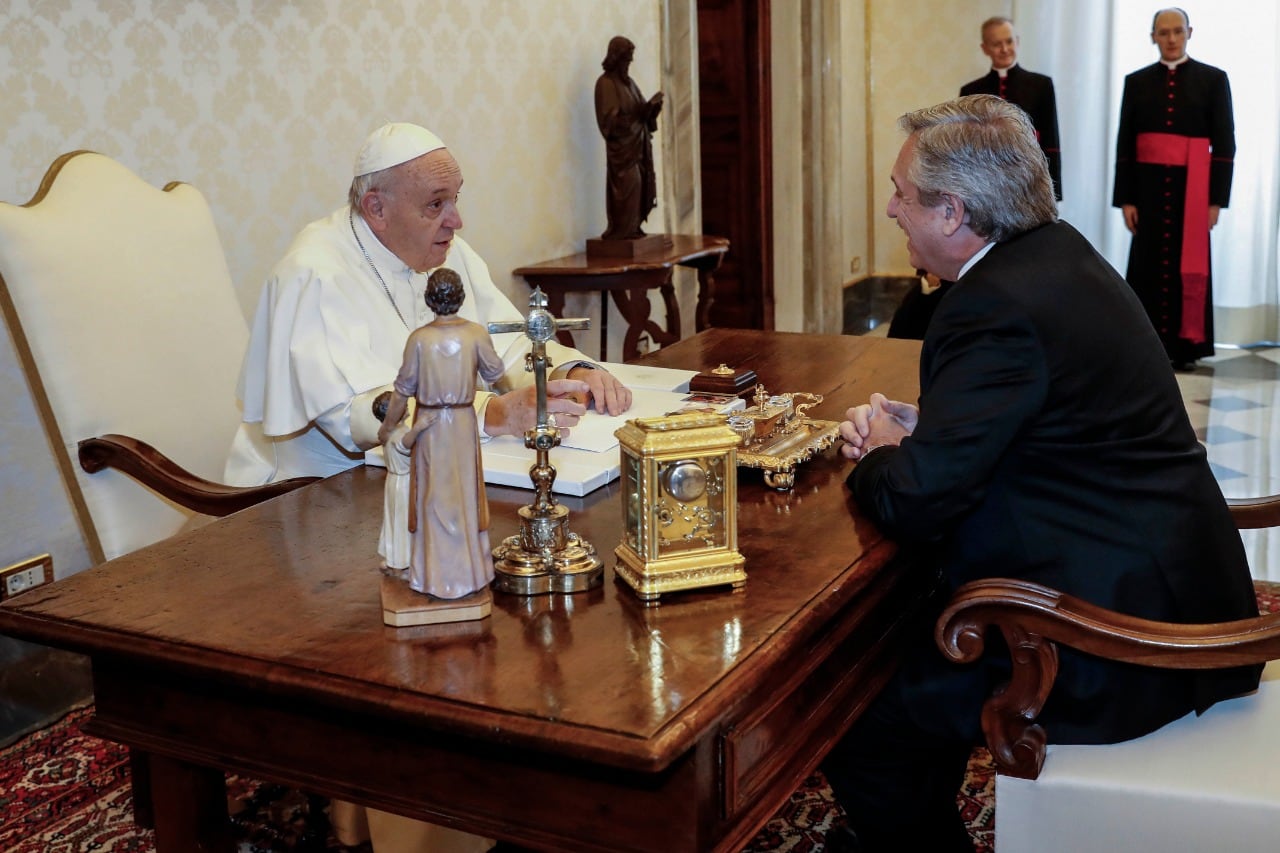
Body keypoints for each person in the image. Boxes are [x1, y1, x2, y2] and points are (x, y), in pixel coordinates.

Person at [825, 94, 1260, 852]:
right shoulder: (1053, 253)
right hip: (1165, 579)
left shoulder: (991, 305)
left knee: (857, 721)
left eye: (901, 193)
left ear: (954, 213)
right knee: (903, 665)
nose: (891, 210)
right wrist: (927, 428)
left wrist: (876, 459)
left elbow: (919, 502)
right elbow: (1054, 416)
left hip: (1122, 639)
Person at [225, 121, 633, 487]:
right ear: (377, 209)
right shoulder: (313, 274)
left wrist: (569, 370)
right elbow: (354, 416)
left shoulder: (445, 250)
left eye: (455, 199)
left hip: (429, 473)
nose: (456, 221)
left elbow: (505, 345)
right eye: (436, 204)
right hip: (321, 492)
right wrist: (491, 413)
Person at [1113, 7, 1234, 370]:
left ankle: (1185, 347)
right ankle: (1146, 344)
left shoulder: (1213, 79)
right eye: (1162, 32)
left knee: (1188, 263)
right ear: (1152, 36)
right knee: (1146, 263)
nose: (1170, 38)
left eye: (1176, 31)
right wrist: (1126, 199)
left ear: (1189, 33)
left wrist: (1216, 200)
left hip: (1192, 190)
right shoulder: (1136, 81)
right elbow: (1126, 143)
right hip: (1147, 190)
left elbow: (1225, 144)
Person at [378, 269, 505, 599]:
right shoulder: (475, 334)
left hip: (432, 426)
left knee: (435, 497)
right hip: (461, 422)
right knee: (463, 495)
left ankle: (435, 577)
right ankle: (469, 575)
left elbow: (402, 390)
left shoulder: (419, 339)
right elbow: (496, 374)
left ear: (430, 299)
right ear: (460, 297)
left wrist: (388, 425)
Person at [960, 16, 1063, 199]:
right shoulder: (970, 91)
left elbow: (1051, 144)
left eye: (1009, 41)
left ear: (1018, 42)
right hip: (986, 184)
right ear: (985, 49)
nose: (1005, 49)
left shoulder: (1041, 85)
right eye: (996, 44)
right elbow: (966, 147)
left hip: (1029, 182)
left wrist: (1053, 193)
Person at [594, 35, 664, 240]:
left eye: (631, 59)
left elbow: (641, 110)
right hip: (623, 153)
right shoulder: (605, 83)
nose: (629, 64)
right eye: (626, 59)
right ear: (616, 58)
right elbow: (609, 124)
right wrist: (638, 115)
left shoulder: (630, 84)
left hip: (639, 147)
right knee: (629, 186)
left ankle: (634, 228)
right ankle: (622, 231)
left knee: (642, 186)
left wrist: (652, 110)